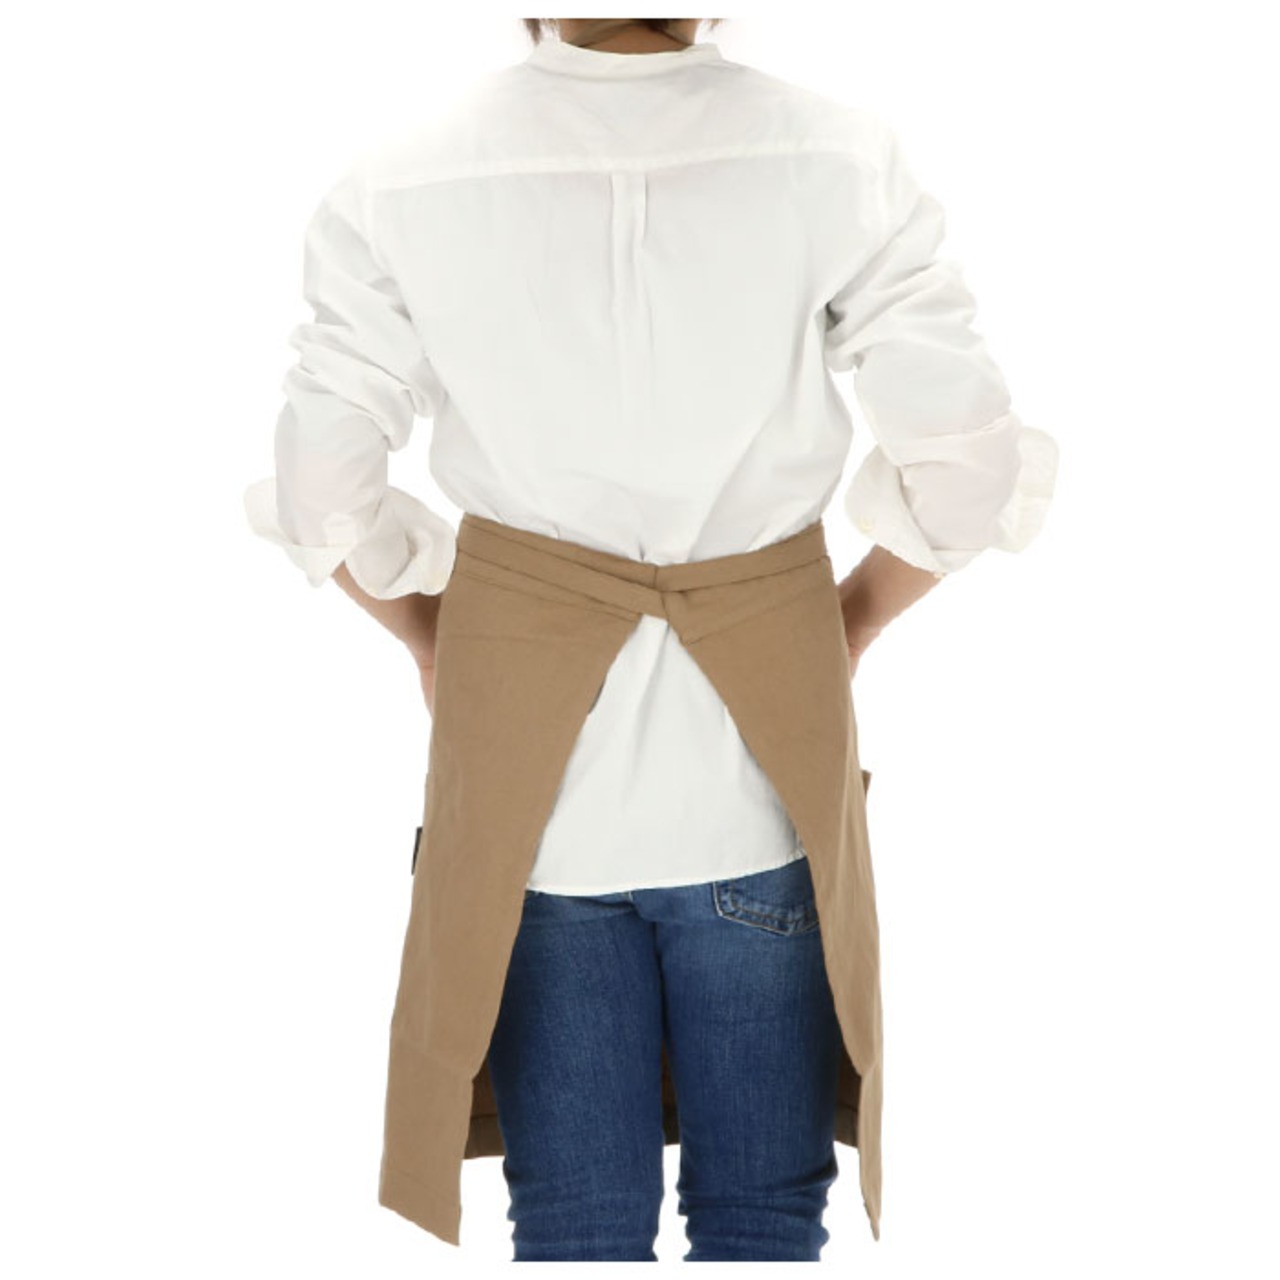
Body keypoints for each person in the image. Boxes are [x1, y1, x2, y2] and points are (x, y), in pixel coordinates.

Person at [242, 16, 1058, 1262]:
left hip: (536, 810)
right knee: (762, 1215)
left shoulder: (403, 174)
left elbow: (321, 486)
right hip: (754, 789)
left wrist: (428, 634)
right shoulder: (836, 153)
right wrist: (844, 622)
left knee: (573, 1224)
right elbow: (966, 468)